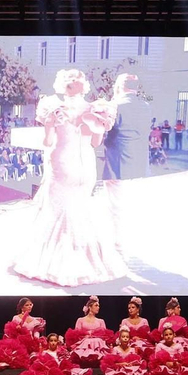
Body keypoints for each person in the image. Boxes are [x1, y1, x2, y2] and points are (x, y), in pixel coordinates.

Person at [11, 68, 130, 287]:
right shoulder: (98, 109)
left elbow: (48, 142)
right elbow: (95, 143)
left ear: (63, 86)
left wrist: (49, 125)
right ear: (83, 86)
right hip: (85, 166)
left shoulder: (53, 107)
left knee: (57, 210)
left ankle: (56, 262)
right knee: (81, 209)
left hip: (63, 163)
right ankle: (86, 260)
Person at [102, 72, 151, 181]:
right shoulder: (146, 106)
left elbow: (107, 134)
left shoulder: (115, 105)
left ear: (119, 86)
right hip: (140, 161)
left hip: (119, 162)